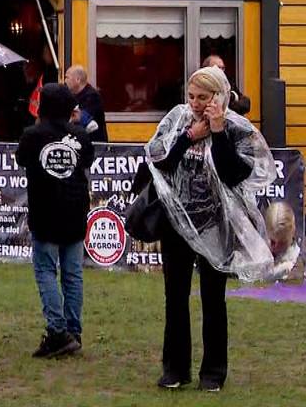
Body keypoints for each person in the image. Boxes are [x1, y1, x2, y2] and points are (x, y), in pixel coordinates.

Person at [138, 66, 275, 392]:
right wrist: (188, 138)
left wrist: (216, 130)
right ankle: (175, 369)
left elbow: (236, 173)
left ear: (220, 96)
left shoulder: (237, 129)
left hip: (216, 224)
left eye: (204, 97)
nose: (196, 103)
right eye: (192, 96)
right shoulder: (178, 120)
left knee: (214, 300)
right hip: (177, 222)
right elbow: (158, 161)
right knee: (175, 297)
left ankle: (213, 373)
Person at [19, 83, 93, 359]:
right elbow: (88, 160)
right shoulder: (81, 136)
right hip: (74, 210)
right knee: (73, 274)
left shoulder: (32, 135)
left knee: (46, 272)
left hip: (45, 211)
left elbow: (21, 159)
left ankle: (58, 332)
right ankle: (73, 331)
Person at [64, 65, 108, 142]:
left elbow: (82, 120)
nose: (65, 81)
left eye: (67, 77)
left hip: (94, 145)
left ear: (78, 79)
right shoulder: (72, 95)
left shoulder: (92, 96)